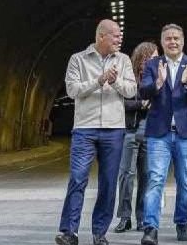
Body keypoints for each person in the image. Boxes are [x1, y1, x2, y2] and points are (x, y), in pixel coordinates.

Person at [56, 20, 139, 245]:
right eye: (115, 35)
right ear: (101, 36)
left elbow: (131, 91)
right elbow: (72, 90)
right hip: (85, 128)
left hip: (114, 129)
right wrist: (99, 80)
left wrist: (115, 81)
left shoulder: (123, 60)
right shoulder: (78, 59)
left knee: (108, 182)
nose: (119, 39)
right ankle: (68, 232)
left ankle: (99, 233)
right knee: (77, 178)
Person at [138, 24, 187, 245]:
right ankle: (150, 228)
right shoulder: (152, 64)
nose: (173, 42)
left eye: (176, 38)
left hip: (186, 133)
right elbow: (143, 90)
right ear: (162, 42)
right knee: (155, 180)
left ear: (183, 41)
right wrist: (158, 82)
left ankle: (182, 222)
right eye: (168, 38)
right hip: (159, 132)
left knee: (185, 181)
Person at [115, 41, 158, 234]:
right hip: (130, 130)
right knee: (126, 175)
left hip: (151, 132)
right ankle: (125, 217)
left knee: (146, 177)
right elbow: (119, 102)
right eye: (152, 56)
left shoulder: (159, 78)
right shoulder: (128, 77)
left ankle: (141, 218)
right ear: (142, 58)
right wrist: (140, 105)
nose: (155, 60)